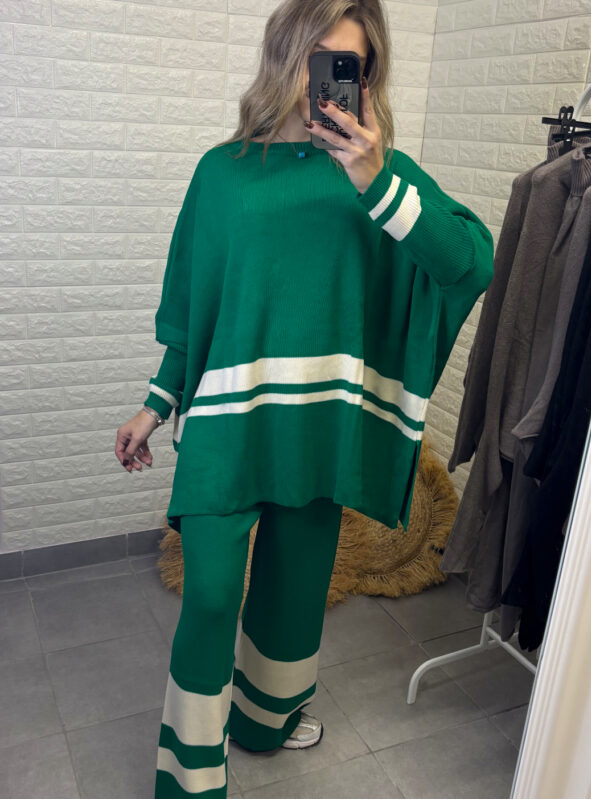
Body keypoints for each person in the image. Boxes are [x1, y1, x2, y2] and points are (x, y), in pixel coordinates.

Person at [115, 1, 494, 796]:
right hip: (228, 419)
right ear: (286, 53)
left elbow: (470, 263)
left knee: (294, 590)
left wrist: (375, 179)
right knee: (210, 595)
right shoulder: (222, 171)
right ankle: (190, 777)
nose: (329, 79)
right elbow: (194, 303)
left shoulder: (381, 173)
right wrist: (155, 403)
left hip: (322, 425)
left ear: (367, 78)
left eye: (349, 65)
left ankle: (266, 721)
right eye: (319, 55)